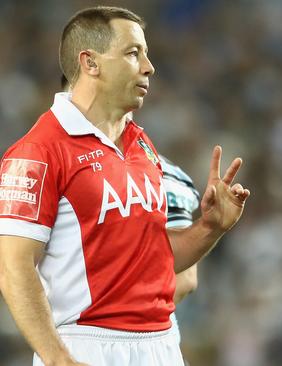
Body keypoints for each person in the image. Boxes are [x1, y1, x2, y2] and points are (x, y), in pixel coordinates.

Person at [0, 6, 249, 366]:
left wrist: (210, 228)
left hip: (161, 342)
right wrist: (57, 358)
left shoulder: (141, 144)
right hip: (86, 344)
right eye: (134, 53)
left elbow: (154, 259)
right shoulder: (38, 151)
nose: (149, 66)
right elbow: (14, 267)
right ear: (90, 63)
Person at [61, 74, 200, 346]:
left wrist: (109, 323)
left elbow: (183, 279)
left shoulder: (165, 175)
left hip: (136, 343)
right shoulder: (42, 168)